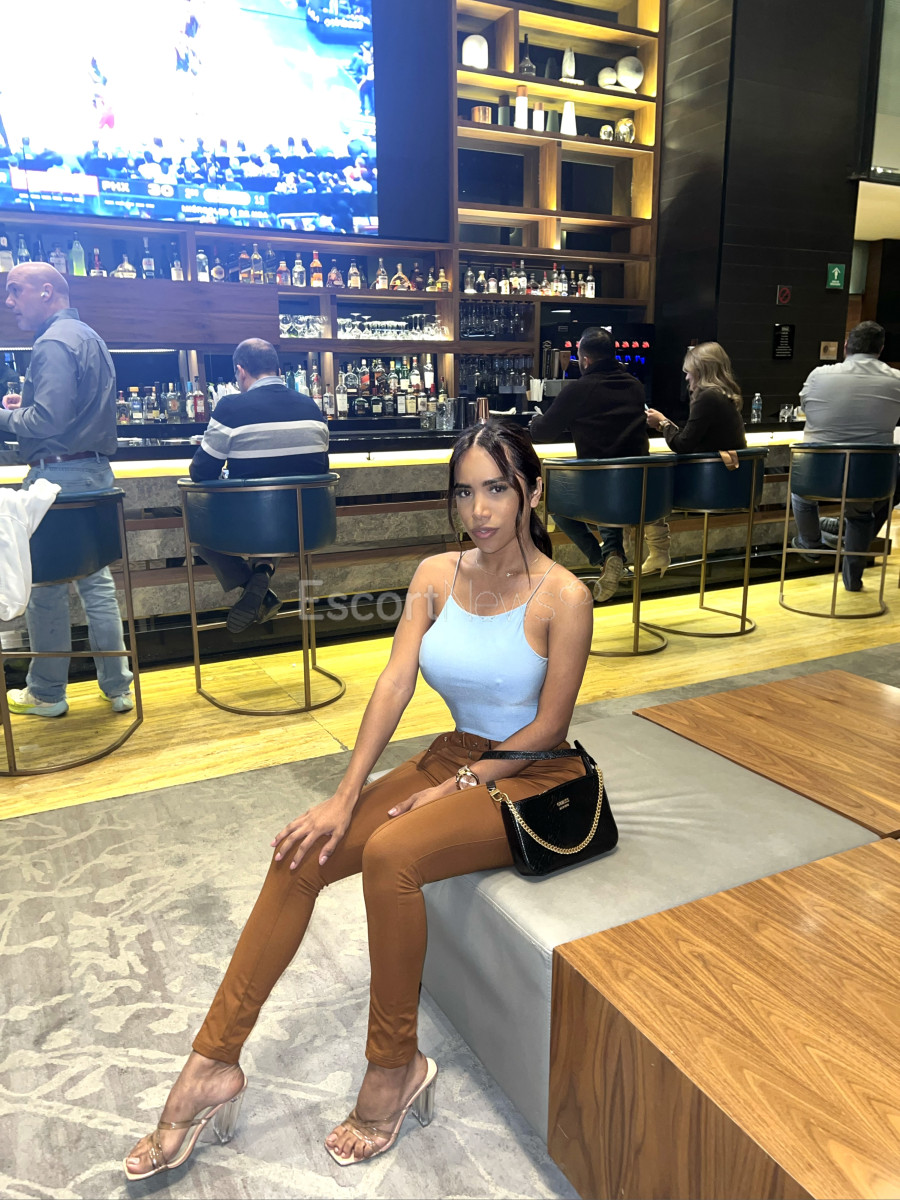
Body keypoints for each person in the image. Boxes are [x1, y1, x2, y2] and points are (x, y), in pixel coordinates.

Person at [123, 420, 593, 1179]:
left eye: (498, 489)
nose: (479, 510)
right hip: (453, 751)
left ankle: (395, 1066)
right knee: (301, 852)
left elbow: (550, 726)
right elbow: (395, 681)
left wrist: (460, 785)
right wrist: (343, 796)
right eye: (465, 492)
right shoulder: (436, 574)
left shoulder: (565, 595)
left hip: (530, 775)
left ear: (533, 493)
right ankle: (212, 1063)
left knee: (392, 852)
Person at [0, 262, 133, 718]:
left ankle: (47, 693)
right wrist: (26, 406)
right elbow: (65, 412)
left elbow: (48, 421)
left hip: (56, 479)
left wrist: (5, 416)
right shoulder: (88, 336)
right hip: (95, 473)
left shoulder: (52, 342)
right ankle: (118, 687)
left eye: (15, 290)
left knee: (45, 589)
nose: (9, 301)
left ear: (46, 291)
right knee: (97, 587)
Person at [189, 338, 329, 634]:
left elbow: (200, 471)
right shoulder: (312, 407)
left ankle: (254, 585)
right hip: (309, 526)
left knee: (196, 523)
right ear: (277, 369)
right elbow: (319, 466)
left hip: (253, 527)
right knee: (275, 512)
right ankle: (263, 570)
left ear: (241, 371)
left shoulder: (230, 407)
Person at [529, 326, 648, 602]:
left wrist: (535, 421)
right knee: (608, 485)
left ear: (584, 359)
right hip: (640, 492)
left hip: (602, 490)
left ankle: (604, 558)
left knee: (557, 502)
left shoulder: (579, 389)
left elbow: (543, 433)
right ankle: (612, 555)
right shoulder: (636, 386)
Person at [789, 321, 900, 592]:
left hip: (817, 477)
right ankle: (853, 580)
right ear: (880, 349)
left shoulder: (818, 375)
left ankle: (811, 544)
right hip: (869, 478)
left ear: (846, 346)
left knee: (800, 494)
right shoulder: (897, 380)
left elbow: (805, 407)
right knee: (862, 512)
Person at [646, 341, 747, 575]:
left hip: (712, 485)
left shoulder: (707, 397)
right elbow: (692, 438)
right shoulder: (722, 396)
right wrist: (666, 425)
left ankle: (647, 550)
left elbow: (682, 445)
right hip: (731, 481)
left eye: (689, 371)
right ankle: (647, 550)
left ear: (701, 370)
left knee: (647, 483)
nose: (686, 377)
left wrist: (663, 423)